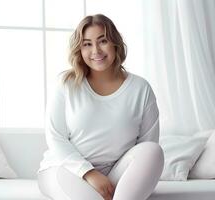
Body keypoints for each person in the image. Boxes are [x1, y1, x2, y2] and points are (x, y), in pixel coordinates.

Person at [37, 14, 164, 200]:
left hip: (115, 172)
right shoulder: (67, 84)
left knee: (153, 150)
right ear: (79, 49)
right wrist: (89, 173)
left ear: (115, 43)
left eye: (102, 41)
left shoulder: (140, 88)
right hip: (65, 169)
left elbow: (146, 144)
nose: (96, 50)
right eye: (87, 44)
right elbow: (56, 138)